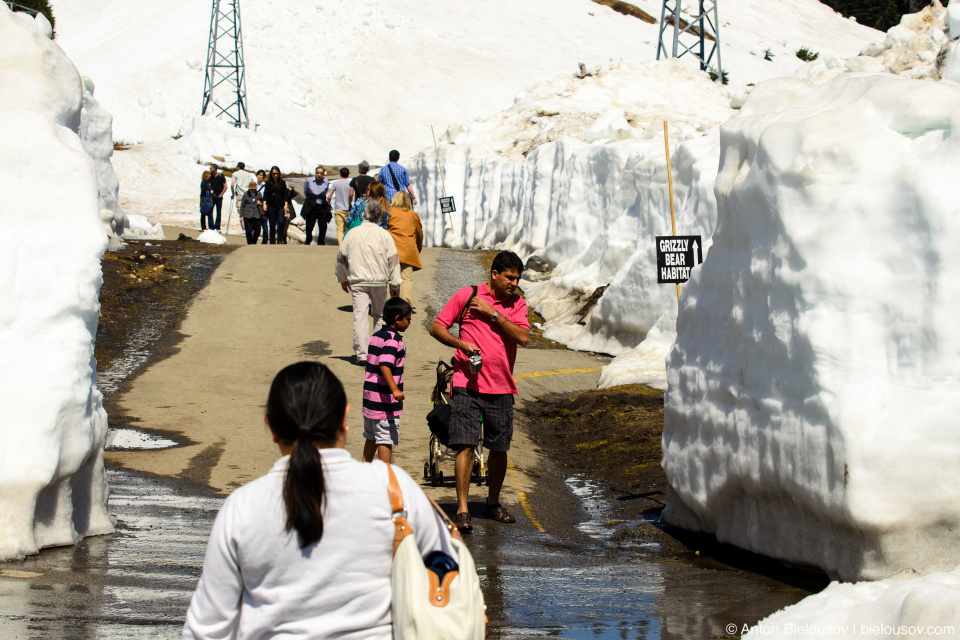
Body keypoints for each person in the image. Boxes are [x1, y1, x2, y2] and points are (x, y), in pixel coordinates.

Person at [181, 362, 456, 640]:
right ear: (344, 419)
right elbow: (449, 580)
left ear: (272, 428)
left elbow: (206, 631)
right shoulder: (394, 488)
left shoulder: (241, 509)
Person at [429, 251, 530, 534]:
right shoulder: (467, 295)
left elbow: (522, 337)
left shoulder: (517, 303)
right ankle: (462, 510)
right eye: (510, 277)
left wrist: (493, 314)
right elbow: (437, 327)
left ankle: (493, 502)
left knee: (499, 447)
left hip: (501, 386)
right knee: (465, 444)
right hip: (467, 384)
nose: (514, 283)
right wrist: (460, 345)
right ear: (494, 274)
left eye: (517, 278)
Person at [335, 199, 402, 366]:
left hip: (358, 280)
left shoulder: (352, 233)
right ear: (380, 215)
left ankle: (362, 354)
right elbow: (393, 262)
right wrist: (395, 285)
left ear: (364, 214)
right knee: (379, 315)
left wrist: (343, 278)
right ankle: (377, 351)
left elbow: (341, 258)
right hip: (379, 281)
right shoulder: (385, 235)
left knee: (360, 316)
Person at [362, 296, 412, 465]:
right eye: (408, 320)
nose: (409, 323)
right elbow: (385, 365)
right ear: (397, 319)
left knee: (371, 437)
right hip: (384, 401)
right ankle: (385, 476)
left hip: (370, 398)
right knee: (385, 439)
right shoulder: (393, 339)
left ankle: (363, 471)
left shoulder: (377, 336)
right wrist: (395, 389)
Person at [387, 191, 423, 306]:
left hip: (392, 250)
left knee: (392, 278)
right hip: (408, 251)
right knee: (406, 279)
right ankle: (406, 307)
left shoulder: (390, 212)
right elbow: (419, 234)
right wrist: (417, 248)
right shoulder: (413, 215)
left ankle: (394, 304)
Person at [302, 165, 331, 245]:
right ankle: (308, 239)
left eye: (321, 173)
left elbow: (326, 191)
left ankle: (321, 242)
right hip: (312, 205)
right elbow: (305, 191)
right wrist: (311, 199)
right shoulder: (309, 181)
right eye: (318, 173)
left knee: (323, 225)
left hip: (321, 205)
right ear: (315, 173)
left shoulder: (326, 181)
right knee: (309, 225)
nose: (319, 175)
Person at [263, 166, 288, 245]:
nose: (275, 175)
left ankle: (280, 239)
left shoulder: (282, 182)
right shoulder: (268, 183)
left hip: (280, 205)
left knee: (281, 221)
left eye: (277, 173)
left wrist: (286, 204)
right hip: (271, 205)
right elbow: (265, 194)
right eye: (274, 174)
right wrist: (264, 204)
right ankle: (272, 241)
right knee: (272, 223)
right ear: (271, 174)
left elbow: (285, 195)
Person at [328, 167, 352, 245]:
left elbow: (329, 196)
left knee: (339, 229)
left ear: (340, 174)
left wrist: (329, 204)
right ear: (348, 175)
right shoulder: (350, 183)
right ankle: (346, 244)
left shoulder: (335, 183)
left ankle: (340, 245)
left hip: (338, 208)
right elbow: (352, 194)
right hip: (348, 208)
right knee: (346, 228)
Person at [238, 180, 262, 245]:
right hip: (247, 215)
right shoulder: (246, 194)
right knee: (248, 230)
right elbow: (242, 206)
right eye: (251, 189)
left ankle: (254, 241)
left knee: (257, 230)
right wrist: (241, 216)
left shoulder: (259, 194)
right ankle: (250, 243)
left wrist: (260, 203)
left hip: (257, 215)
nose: (252, 191)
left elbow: (262, 203)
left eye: (254, 189)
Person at [208, 163, 228, 232]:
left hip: (219, 197)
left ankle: (217, 227)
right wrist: (210, 190)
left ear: (215, 169)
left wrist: (221, 194)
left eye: (211, 168)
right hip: (212, 196)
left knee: (218, 212)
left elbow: (225, 186)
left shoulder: (220, 176)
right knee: (210, 211)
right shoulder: (210, 177)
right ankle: (211, 226)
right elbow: (207, 185)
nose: (210, 169)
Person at [255, 169, 269, 244]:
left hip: (263, 207)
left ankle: (265, 240)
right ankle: (254, 240)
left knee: (264, 225)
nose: (259, 177)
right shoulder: (254, 185)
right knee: (255, 225)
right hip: (255, 207)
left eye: (261, 175)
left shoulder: (265, 186)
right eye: (258, 175)